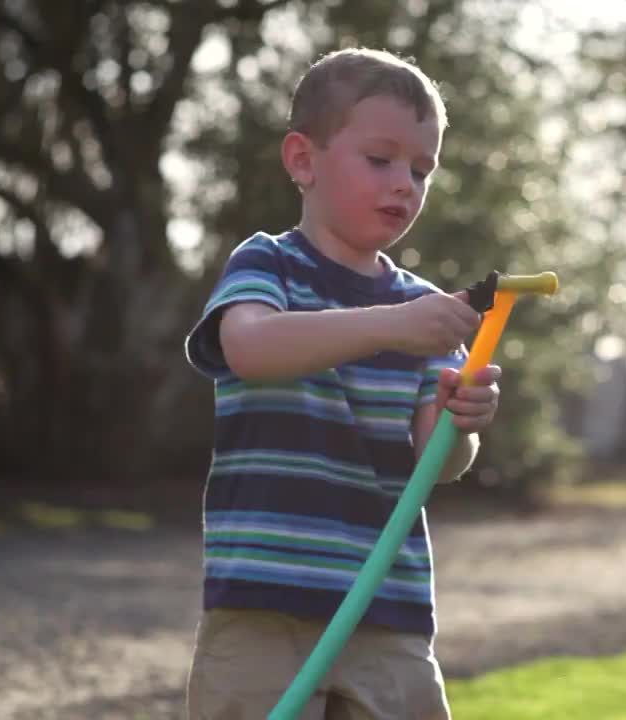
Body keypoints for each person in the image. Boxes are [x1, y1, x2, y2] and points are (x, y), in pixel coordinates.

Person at [183, 47, 502, 719]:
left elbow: (435, 464)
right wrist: (391, 325)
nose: (404, 184)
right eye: (380, 159)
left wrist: (460, 420)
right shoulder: (267, 263)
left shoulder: (423, 312)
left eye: (421, 169)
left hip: (387, 609)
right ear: (304, 161)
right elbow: (249, 348)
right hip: (264, 605)